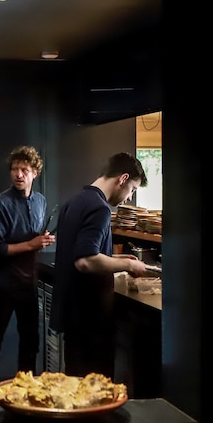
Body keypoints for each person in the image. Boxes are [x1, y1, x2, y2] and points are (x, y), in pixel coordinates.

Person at [0, 145, 57, 405]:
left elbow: (33, 238)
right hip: (2, 287)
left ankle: (26, 399)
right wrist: (32, 244)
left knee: (30, 345)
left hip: (28, 284)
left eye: (24, 170)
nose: (19, 174)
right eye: (15, 169)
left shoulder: (40, 201)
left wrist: (43, 240)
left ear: (35, 173)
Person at [50, 152, 148, 379]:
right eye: (132, 189)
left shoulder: (73, 203)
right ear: (122, 179)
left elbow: (81, 250)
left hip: (72, 317)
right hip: (90, 321)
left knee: (76, 389)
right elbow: (85, 260)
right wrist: (127, 265)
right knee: (95, 394)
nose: (129, 198)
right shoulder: (100, 208)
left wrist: (119, 260)